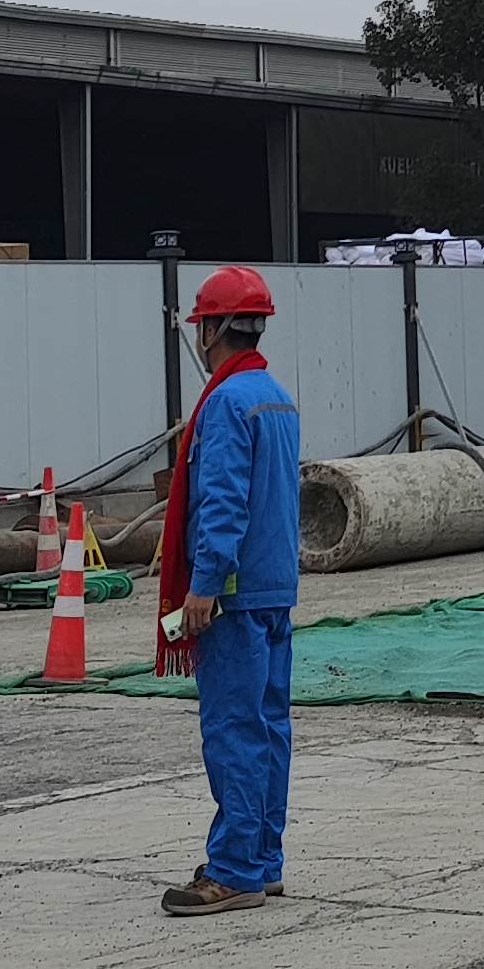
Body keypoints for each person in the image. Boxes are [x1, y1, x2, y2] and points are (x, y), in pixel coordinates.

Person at [156, 265, 301, 919]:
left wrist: (205, 585)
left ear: (212, 330)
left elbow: (222, 502)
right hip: (274, 588)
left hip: (235, 595)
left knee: (234, 731)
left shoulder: (225, 403)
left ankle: (235, 870)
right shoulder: (276, 396)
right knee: (268, 728)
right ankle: (262, 861)